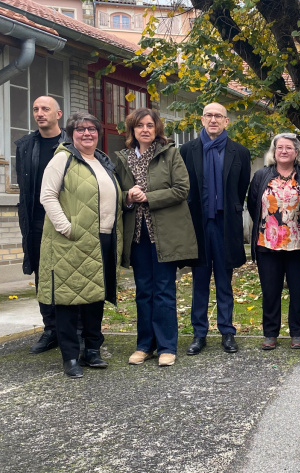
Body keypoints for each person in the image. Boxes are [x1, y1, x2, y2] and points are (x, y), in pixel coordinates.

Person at [38, 112, 122, 378]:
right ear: (71, 133)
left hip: (103, 237)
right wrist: (66, 227)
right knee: (68, 300)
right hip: (71, 240)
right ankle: (70, 357)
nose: (87, 134)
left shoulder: (102, 161)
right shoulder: (62, 159)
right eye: (81, 129)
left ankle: (93, 351)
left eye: (92, 129)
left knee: (94, 297)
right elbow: (48, 196)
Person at [114, 108, 198, 367]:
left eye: (150, 125)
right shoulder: (123, 158)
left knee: (163, 290)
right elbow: (117, 192)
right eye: (140, 126)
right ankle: (144, 345)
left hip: (165, 234)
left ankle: (166, 346)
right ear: (132, 130)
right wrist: (128, 195)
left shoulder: (170, 154)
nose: (145, 130)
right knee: (143, 291)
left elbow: (182, 189)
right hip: (137, 235)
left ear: (157, 128)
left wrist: (149, 197)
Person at [181, 103, 251, 356]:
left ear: (226, 121)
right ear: (201, 119)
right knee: (199, 281)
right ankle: (199, 333)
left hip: (225, 225)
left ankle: (227, 331)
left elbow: (241, 188)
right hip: (199, 224)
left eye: (218, 116)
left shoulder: (239, 152)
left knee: (225, 280)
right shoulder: (187, 150)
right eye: (209, 115)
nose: (213, 119)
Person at [247, 133, 300, 350]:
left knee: (298, 291)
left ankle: (297, 333)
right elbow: (253, 203)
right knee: (271, 291)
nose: (284, 151)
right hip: (268, 242)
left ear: (296, 152)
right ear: (273, 152)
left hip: (299, 243)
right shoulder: (262, 175)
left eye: (289, 148)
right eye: (280, 148)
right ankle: (270, 334)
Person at [15, 96, 69, 354]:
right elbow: (24, 190)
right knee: (42, 276)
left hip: (65, 220)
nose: (39, 113)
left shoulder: (71, 143)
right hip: (37, 221)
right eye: (35, 109)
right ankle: (51, 330)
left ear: (58, 114)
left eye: (45, 109)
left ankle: (74, 330)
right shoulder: (25, 145)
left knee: (68, 274)